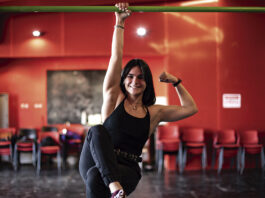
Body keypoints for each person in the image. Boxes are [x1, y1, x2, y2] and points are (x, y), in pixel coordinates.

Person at [79, 3, 198, 198]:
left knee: (95, 176)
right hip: (97, 159)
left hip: (128, 169)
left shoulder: (154, 112)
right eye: (131, 76)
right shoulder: (113, 97)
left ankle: (114, 186)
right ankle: (114, 187)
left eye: (141, 77)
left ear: (147, 82)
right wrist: (119, 23)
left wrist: (176, 82)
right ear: (124, 79)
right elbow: (116, 56)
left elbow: (191, 108)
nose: (135, 81)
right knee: (96, 130)